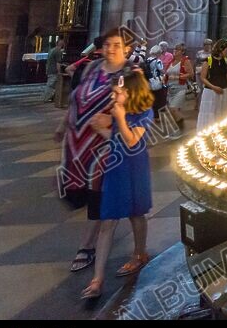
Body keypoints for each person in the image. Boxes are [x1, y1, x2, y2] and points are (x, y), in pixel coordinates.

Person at [55, 28, 133, 276]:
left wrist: (113, 131)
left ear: (126, 49)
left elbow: (136, 113)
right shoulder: (91, 68)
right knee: (87, 193)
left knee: (100, 195)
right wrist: (63, 124)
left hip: (108, 143)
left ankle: (87, 247)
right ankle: (99, 240)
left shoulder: (130, 74)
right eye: (107, 44)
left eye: (117, 45)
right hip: (79, 144)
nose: (110, 49)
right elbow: (76, 98)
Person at [81, 71, 153, 300]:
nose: (113, 97)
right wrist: (99, 128)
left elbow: (132, 140)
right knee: (108, 221)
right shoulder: (117, 110)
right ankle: (97, 279)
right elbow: (115, 137)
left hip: (135, 167)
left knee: (136, 214)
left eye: (117, 92)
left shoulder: (143, 112)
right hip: (115, 168)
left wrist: (119, 119)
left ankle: (140, 254)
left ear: (130, 93)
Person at [197, 39, 227, 130]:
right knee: (209, 112)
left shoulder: (226, 60)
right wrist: (213, 87)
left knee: (220, 111)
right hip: (210, 91)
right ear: (220, 49)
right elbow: (203, 77)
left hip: (223, 90)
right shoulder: (208, 60)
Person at [164, 43, 194, 129]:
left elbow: (191, 74)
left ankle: (182, 126)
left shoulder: (185, 61)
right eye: (174, 49)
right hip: (170, 88)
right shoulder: (171, 61)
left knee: (173, 108)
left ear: (183, 51)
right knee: (172, 110)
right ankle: (178, 127)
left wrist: (178, 77)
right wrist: (164, 78)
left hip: (180, 87)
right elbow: (167, 73)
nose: (175, 51)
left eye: (177, 50)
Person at [144, 45, 167, 113]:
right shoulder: (158, 61)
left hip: (149, 81)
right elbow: (161, 70)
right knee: (159, 98)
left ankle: (152, 113)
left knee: (152, 98)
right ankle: (158, 114)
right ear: (158, 53)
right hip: (157, 81)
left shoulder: (147, 60)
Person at [43, 38, 65, 103]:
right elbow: (58, 63)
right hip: (53, 70)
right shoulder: (58, 51)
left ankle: (52, 98)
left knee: (52, 84)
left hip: (49, 69)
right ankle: (46, 98)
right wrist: (59, 72)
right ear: (62, 44)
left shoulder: (51, 50)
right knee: (51, 85)